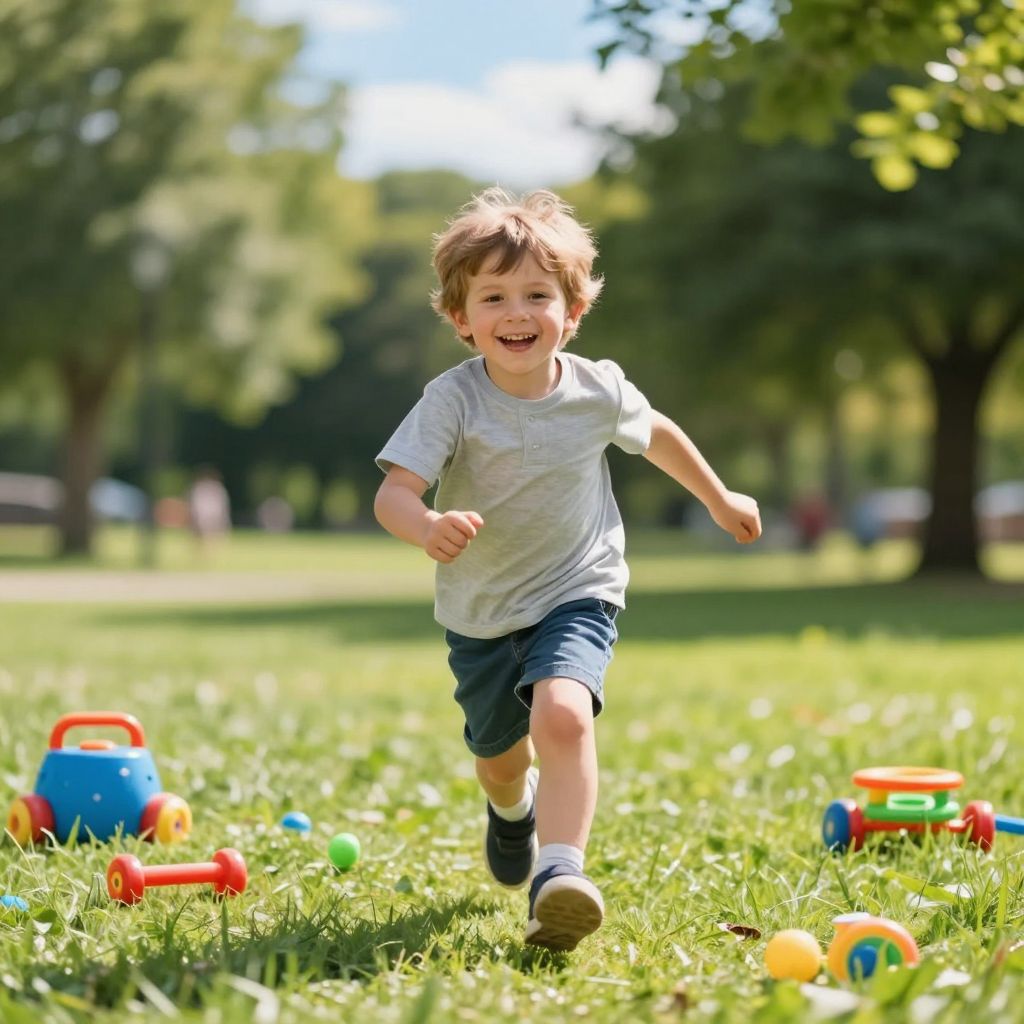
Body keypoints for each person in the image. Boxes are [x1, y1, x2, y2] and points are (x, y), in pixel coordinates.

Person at [374, 188, 761, 952]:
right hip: (481, 609)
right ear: (461, 318)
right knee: (498, 761)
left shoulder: (597, 389)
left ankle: (560, 877)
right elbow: (393, 491)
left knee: (563, 714)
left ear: (572, 311)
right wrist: (425, 527)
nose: (516, 312)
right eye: (493, 297)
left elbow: (657, 434)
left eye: (536, 295)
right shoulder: (450, 401)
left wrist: (718, 499)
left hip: (577, 588)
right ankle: (512, 814)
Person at [187, 466, 231, 555]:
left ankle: (208, 552)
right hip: (204, 515)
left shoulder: (217, 489)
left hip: (210, 515)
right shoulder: (199, 488)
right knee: (201, 535)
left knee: (210, 535)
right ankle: (203, 552)